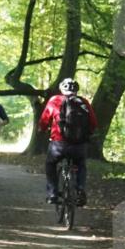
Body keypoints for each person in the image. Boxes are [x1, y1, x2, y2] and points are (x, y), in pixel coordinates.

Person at [38, 78, 97, 207]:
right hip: (79, 145)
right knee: (81, 164)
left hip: (59, 144)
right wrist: (88, 134)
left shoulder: (54, 100)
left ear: (61, 89)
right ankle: (80, 188)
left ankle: (53, 193)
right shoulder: (83, 102)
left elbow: (44, 120)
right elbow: (93, 122)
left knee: (50, 164)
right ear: (76, 90)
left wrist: (41, 130)